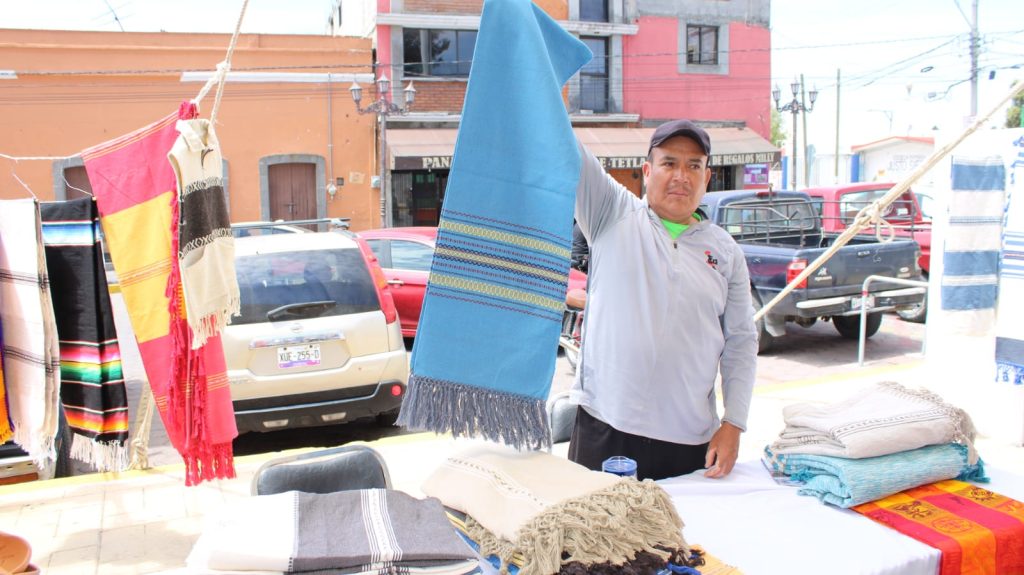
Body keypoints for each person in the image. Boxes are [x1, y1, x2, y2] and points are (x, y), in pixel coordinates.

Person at [567, 119, 758, 481]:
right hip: (606, 428)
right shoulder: (611, 212)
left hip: (689, 442)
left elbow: (741, 342)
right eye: (669, 163)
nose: (681, 176)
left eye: (693, 166)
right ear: (647, 171)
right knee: (592, 519)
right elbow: (563, 145)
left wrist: (734, 422)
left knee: (682, 522)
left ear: (707, 177)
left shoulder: (726, 251)